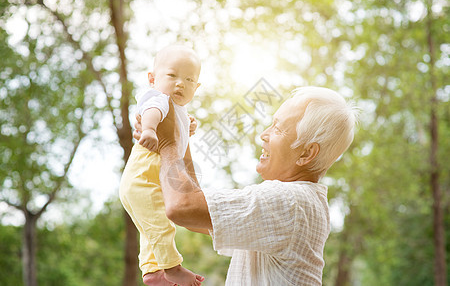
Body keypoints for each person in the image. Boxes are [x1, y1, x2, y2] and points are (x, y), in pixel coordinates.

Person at [134, 86, 357, 285]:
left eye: (278, 129)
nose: (264, 135)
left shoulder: (289, 202)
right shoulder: (300, 205)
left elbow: (181, 207)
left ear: (307, 153)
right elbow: (195, 212)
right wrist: (179, 137)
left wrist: (167, 143)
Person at [119, 45, 204, 286]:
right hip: (141, 181)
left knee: (151, 231)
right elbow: (152, 110)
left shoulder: (180, 110)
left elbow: (177, 137)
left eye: (189, 79)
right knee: (161, 224)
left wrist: (187, 126)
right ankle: (172, 266)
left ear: (196, 88)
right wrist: (148, 129)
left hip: (149, 184)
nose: (180, 84)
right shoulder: (158, 98)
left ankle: (153, 272)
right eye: (172, 75)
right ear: (152, 79)